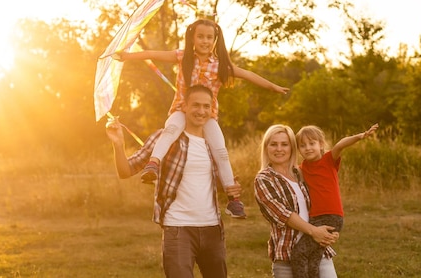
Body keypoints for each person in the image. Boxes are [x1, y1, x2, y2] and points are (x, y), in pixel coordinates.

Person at [115, 19, 289, 219]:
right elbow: (153, 54)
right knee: (170, 131)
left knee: (221, 150)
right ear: (193, 38)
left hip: (207, 116)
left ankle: (233, 200)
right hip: (181, 109)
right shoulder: (183, 57)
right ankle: (153, 164)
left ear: (215, 40)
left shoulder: (220, 65)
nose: (205, 41)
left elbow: (247, 74)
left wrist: (272, 86)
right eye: (200, 36)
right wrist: (128, 56)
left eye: (209, 37)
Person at [105, 85, 241, 278]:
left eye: (206, 106)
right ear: (184, 106)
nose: (201, 111)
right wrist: (118, 144)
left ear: (212, 109)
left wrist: (231, 188)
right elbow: (126, 171)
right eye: (195, 105)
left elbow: (212, 184)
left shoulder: (214, 144)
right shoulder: (166, 138)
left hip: (212, 229)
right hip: (178, 229)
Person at [291, 124, 379, 278]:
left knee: (299, 254)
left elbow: (340, 144)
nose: (308, 148)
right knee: (313, 259)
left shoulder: (328, 160)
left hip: (331, 217)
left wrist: (360, 136)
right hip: (314, 220)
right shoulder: (302, 168)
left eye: (312, 143)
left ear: (321, 145)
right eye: (302, 145)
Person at [254, 124, 340, 278]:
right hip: (287, 255)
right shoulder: (264, 179)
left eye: (284, 144)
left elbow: (323, 201)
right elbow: (283, 214)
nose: (279, 149)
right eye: (273, 144)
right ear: (266, 148)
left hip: (318, 249)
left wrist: (330, 231)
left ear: (292, 148)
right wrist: (315, 232)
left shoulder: (301, 173)